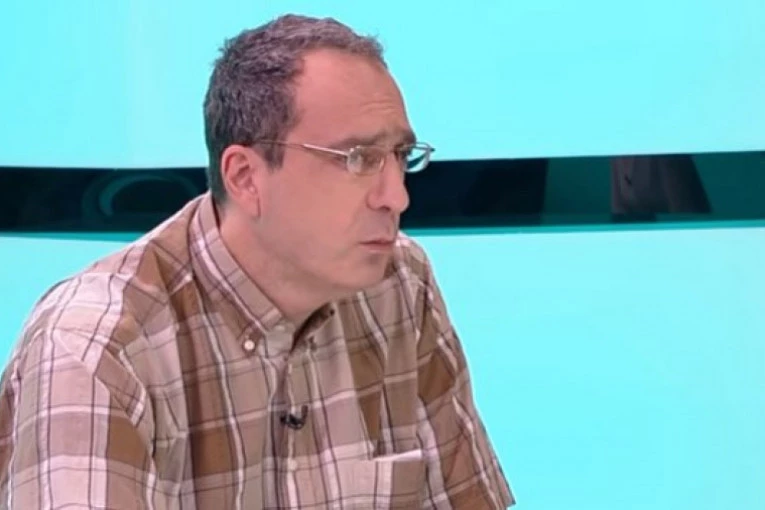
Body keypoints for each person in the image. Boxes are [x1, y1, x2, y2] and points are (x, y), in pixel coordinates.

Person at [0, 14, 514, 509]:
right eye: (359, 159)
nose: (396, 197)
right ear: (245, 177)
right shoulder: (95, 349)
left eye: (400, 156)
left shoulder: (399, 283)